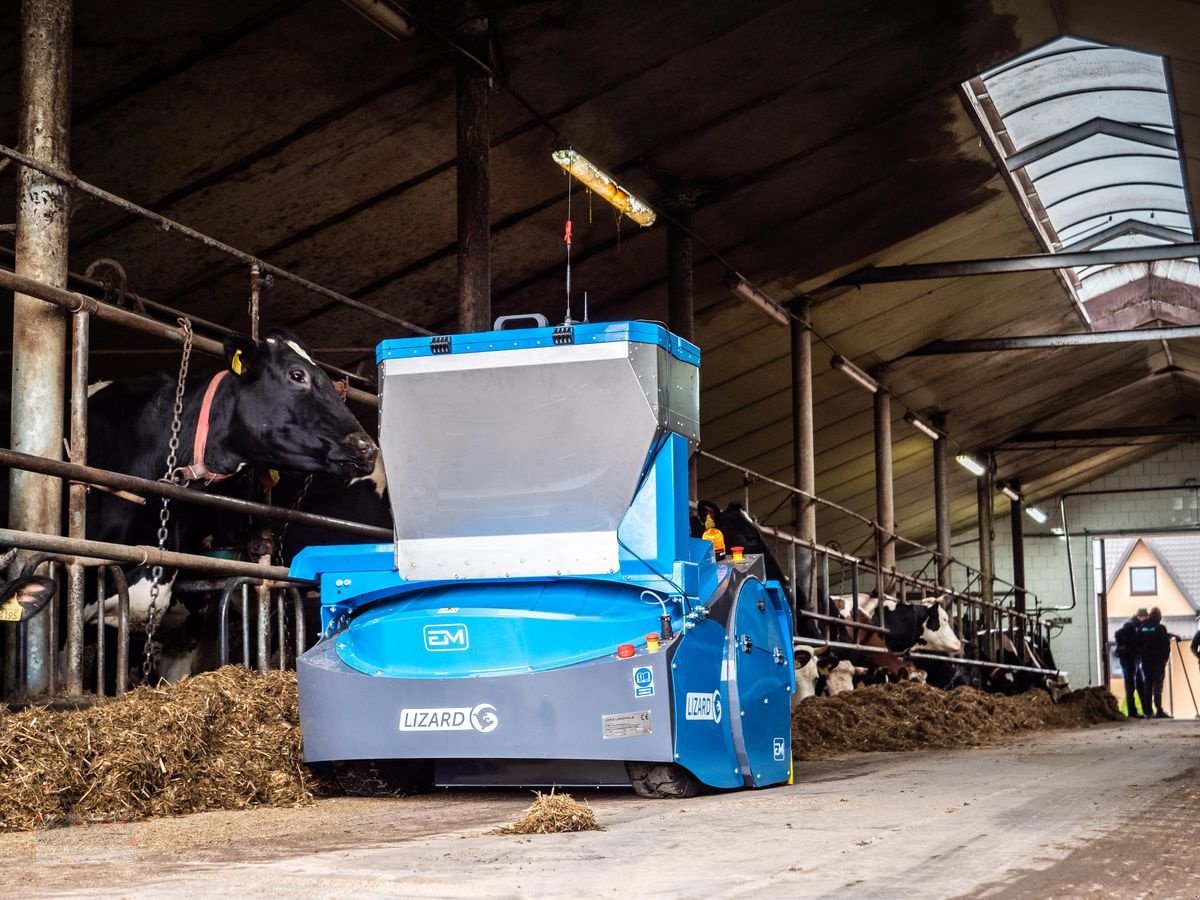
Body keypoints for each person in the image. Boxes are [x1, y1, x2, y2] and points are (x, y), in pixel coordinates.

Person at [1136, 607, 1173, 719]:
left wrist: (1142, 655)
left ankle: (1148, 711)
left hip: (1146, 662)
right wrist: (1165, 659)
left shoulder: (1142, 628)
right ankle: (1159, 710)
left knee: (1148, 685)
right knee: (1157, 685)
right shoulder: (1161, 628)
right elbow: (1165, 646)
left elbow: (1138, 644)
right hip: (1158, 661)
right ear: (1159, 617)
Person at [1115, 608, 1150, 718]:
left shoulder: (1134, 624)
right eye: (1145, 617)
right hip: (1128, 660)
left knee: (1139, 684)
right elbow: (1119, 634)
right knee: (1131, 686)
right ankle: (1133, 712)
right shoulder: (1130, 625)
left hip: (1133, 660)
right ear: (1142, 616)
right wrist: (1125, 647)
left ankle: (1144, 710)